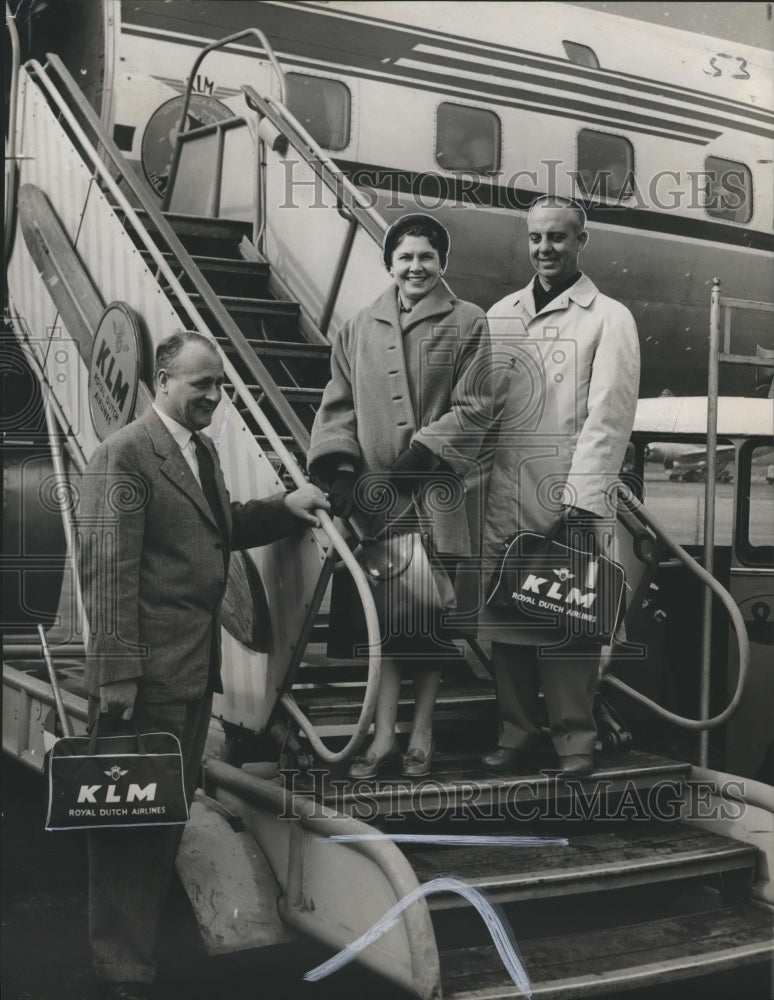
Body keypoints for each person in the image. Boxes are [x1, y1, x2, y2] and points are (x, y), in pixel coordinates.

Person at [77, 330, 328, 1000]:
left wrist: (283, 508)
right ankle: (119, 968)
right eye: (201, 385)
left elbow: (221, 527)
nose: (214, 398)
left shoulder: (201, 451)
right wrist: (118, 679)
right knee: (129, 825)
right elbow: (109, 573)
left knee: (163, 815)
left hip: (191, 673)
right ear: (162, 380)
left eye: (219, 385)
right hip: (146, 682)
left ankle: (139, 952)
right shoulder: (125, 455)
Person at [307, 213, 494, 780]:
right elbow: (337, 402)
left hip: (434, 495)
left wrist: (424, 453)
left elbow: (478, 403)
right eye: (405, 256)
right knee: (387, 627)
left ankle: (422, 734)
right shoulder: (359, 325)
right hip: (376, 504)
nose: (416, 266)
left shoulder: (470, 322)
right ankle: (383, 734)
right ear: (390, 263)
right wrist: (339, 469)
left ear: (443, 264)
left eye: (427, 257)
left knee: (427, 624)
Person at [479, 195, 640, 778]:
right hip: (504, 494)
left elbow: (610, 418)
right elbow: (481, 410)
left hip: (568, 497)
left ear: (581, 242)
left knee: (568, 617)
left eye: (558, 238)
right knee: (508, 622)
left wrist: (580, 500)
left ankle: (575, 740)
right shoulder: (500, 315)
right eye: (536, 238)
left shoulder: (609, 317)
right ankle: (517, 732)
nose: (545, 249)